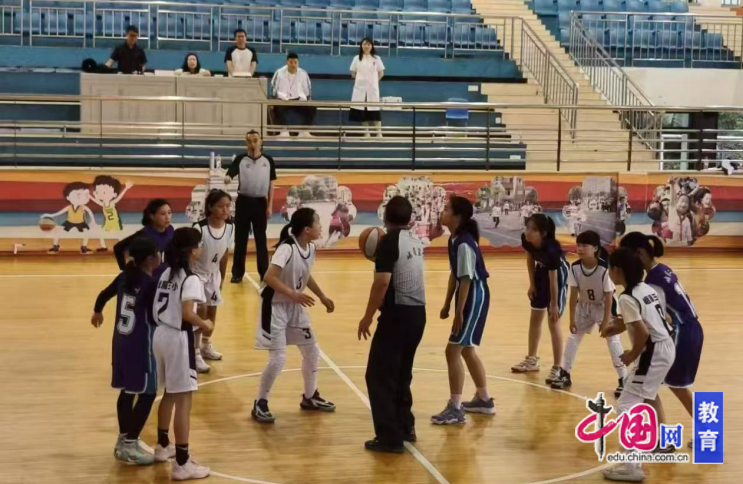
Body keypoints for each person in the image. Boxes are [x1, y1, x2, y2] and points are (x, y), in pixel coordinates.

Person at [619, 232, 704, 449]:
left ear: (640, 254)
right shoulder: (662, 269)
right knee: (653, 386)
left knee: (668, 386)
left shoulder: (651, 282)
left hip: (682, 334)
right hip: (690, 329)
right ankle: (667, 438)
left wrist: (623, 326)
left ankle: (704, 432)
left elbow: (660, 318)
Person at [252, 208, 336, 423]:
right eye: (317, 223)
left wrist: (322, 296)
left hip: (294, 305)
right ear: (307, 229)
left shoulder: (311, 248)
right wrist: (293, 294)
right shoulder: (286, 248)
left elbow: (305, 275)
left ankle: (310, 397)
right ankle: (260, 403)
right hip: (274, 306)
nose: (321, 227)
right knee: (279, 358)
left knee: (312, 351)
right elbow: (269, 277)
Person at [600, 248, 675, 483]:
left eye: (610, 268)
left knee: (626, 404)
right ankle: (650, 446)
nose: (609, 272)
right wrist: (622, 326)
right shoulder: (645, 289)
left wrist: (631, 354)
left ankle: (632, 466)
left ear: (617, 270)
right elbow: (656, 319)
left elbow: (642, 332)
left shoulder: (626, 298)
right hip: (666, 347)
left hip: (653, 353)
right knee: (642, 398)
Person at [359, 196, 426, 453]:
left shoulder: (388, 242)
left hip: (398, 315)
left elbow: (382, 282)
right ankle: (406, 426)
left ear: (385, 216)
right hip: (418, 315)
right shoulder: (415, 240)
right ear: (409, 218)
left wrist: (367, 317)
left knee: (378, 376)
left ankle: (389, 437)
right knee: (401, 374)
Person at [91, 237, 161, 465]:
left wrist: (97, 312)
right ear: (150, 259)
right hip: (140, 346)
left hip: (121, 344)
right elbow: (155, 318)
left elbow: (103, 294)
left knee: (127, 392)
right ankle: (129, 444)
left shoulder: (124, 277)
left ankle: (124, 440)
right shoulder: (150, 284)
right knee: (148, 393)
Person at [152, 227, 214, 481]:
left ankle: (162, 446)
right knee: (184, 401)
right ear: (192, 250)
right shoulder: (191, 278)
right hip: (178, 338)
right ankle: (181, 462)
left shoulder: (166, 272)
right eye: (199, 244)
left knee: (169, 393)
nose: (201, 248)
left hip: (159, 334)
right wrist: (205, 324)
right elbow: (188, 313)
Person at [431, 196, 495, 426]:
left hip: (474, 295)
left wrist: (459, 312)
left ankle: (456, 409)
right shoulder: (454, 239)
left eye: (447, 209)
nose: (442, 212)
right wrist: (447, 303)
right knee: (467, 350)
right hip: (469, 295)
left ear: (457, 217)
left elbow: (466, 279)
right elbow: (455, 274)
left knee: (453, 351)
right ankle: (484, 400)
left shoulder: (465, 243)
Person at [550, 231, 627, 397]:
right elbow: (573, 294)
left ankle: (624, 379)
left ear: (595, 248)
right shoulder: (575, 267)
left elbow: (609, 296)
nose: (580, 248)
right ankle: (565, 373)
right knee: (573, 338)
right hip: (584, 306)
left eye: (584, 245)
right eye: (578, 245)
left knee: (612, 339)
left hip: (604, 306)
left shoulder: (604, 268)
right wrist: (571, 318)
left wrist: (606, 321)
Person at [512, 214, 568, 386]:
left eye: (533, 229)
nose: (528, 232)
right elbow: (530, 259)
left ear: (543, 233)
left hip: (557, 277)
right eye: (527, 228)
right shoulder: (526, 240)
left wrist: (554, 304)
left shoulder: (552, 250)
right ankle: (532, 360)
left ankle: (558, 366)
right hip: (541, 273)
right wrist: (532, 284)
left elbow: (554, 280)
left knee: (553, 322)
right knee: (535, 318)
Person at [191, 190, 235, 374]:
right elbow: (192, 255)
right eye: (221, 206)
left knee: (212, 310)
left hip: (213, 274)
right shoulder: (199, 228)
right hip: (197, 274)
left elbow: (224, 255)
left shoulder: (230, 227)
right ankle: (194, 352)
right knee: (200, 310)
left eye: (228, 206)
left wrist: (222, 278)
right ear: (210, 207)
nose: (225, 210)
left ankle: (206, 345)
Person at [224, 131, 276, 283]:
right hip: (243, 202)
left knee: (261, 240)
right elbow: (230, 173)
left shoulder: (268, 161)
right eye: (249, 141)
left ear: (261, 142)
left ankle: (264, 273)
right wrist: (227, 178)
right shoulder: (240, 159)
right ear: (246, 143)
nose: (252, 144)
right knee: (240, 239)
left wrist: (270, 205)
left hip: (260, 203)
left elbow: (271, 184)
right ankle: (237, 273)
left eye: (255, 140)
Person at [114, 199, 174, 270]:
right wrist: (124, 269)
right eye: (163, 214)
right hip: (151, 275)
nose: (167, 217)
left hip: (166, 274)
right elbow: (118, 248)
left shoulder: (170, 230)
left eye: (169, 213)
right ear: (152, 216)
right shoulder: (144, 234)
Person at [270, 52, 315, 138]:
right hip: (283, 100)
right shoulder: (279, 73)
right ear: (287, 62)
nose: (293, 65)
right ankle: (284, 131)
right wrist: (272, 100)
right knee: (278, 108)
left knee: (311, 108)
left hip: (298, 100)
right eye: (291, 62)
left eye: (295, 62)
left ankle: (303, 131)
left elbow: (307, 89)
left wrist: (309, 100)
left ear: (298, 63)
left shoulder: (303, 73)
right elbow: (273, 88)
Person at [350, 38, 385, 138]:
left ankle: (379, 133)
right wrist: (360, 82)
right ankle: (366, 132)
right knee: (362, 112)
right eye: (364, 44)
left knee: (375, 111)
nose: (366, 46)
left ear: (372, 46)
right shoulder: (356, 58)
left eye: (368, 44)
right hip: (360, 90)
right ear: (361, 46)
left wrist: (374, 82)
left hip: (372, 90)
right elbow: (353, 72)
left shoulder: (376, 58)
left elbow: (381, 73)